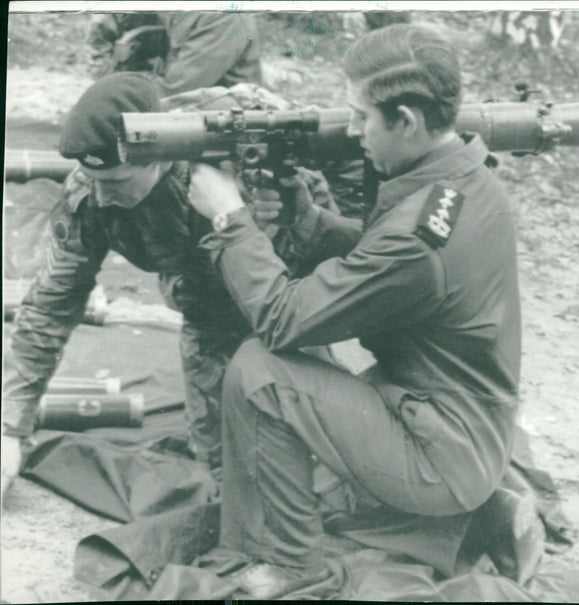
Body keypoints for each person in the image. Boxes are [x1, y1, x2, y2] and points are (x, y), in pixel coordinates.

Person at [186, 24, 522, 598]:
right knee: (298, 355)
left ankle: (290, 566)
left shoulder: (418, 240)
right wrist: (308, 220)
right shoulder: (462, 180)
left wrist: (228, 218)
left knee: (260, 367)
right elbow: (386, 261)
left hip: (440, 456)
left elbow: (283, 317)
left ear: (408, 121)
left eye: (361, 117)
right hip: (459, 426)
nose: (351, 130)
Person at [0, 72, 309, 499]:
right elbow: (51, 304)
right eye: (95, 182)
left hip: (293, 306)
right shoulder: (88, 195)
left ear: (159, 158)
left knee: (303, 464)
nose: (103, 199)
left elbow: (329, 250)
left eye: (117, 183)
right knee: (224, 472)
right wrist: (10, 428)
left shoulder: (238, 165)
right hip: (208, 310)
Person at [87, 12, 263, 95]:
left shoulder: (223, 15)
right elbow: (104, 59)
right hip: (157, 104)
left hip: (218, 126)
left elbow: (177, 90)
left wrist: (111, 101)